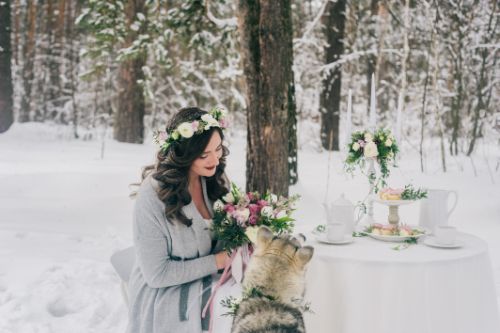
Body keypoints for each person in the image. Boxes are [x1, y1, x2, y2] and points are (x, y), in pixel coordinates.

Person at [126, 107, 233, 333]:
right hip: (167, 290)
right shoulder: (152, 196)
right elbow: (157, 274)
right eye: (204, 155)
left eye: (218, 149)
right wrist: (218, 261)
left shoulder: (213, 179)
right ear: (183, 154)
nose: (215, 159)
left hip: (213, 279)